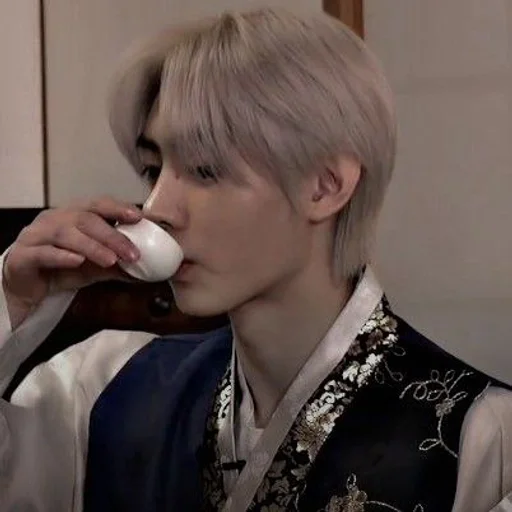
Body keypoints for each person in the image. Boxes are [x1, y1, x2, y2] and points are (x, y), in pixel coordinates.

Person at [0, 7, 511, 512]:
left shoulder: (483, 439)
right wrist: (12, 301)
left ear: (325, 186)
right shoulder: (103, 389)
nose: (156, 210)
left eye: (205, 169)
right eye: (153, 169)